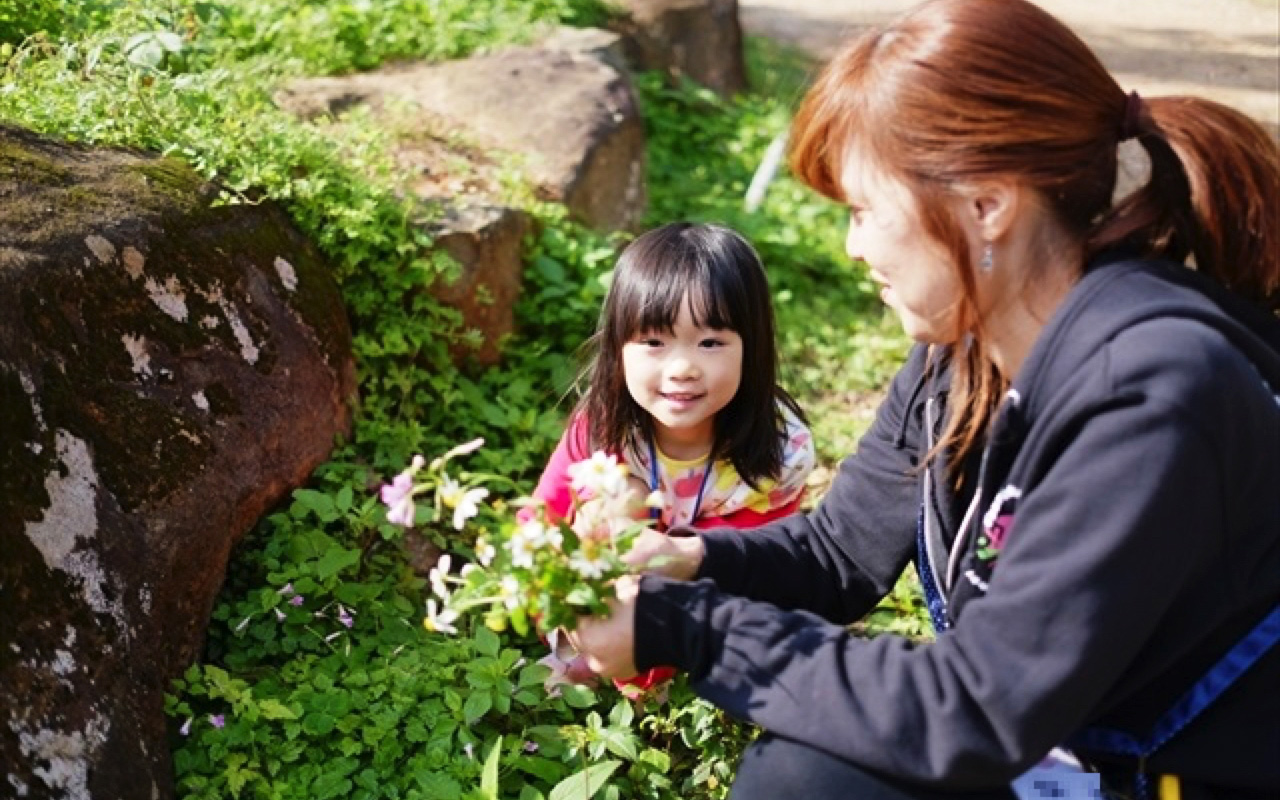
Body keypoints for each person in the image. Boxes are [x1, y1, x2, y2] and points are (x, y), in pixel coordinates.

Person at [568, 0, 1280, 798]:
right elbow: (840, 552)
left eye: (865, 211)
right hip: (1062, 751)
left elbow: (974, 712)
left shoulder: (1150, 393)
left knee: (802, 784)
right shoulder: (962, 352)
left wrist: (683, 627)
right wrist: (687, 560)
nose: (853, 246)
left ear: (987, 204)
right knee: (803, 774)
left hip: (1175, 777)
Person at [527, 221, 816, 694]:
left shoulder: (778, 454)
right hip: (607, 586)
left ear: (753, 346)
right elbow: (541, 519)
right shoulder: (604, 429)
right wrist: (557, 585)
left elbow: (756, 574)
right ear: (618, 348)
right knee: (616, 496)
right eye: (654, 342)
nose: (682, 368)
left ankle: (648, 668)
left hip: (703, 607)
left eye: (710, 342)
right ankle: (588, 647)